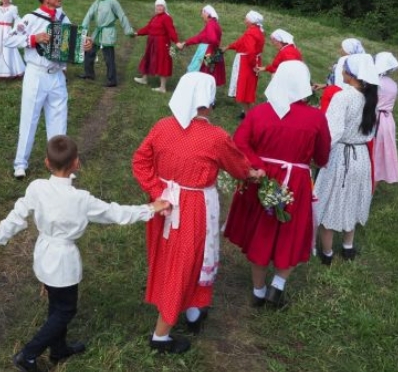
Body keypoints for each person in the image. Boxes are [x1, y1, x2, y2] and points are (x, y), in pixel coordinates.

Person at [0, 135, 170, 372]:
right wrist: (151, 208)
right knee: (66, 310)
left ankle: (58, 348)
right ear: (76, 163)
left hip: (43, 254)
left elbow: (16, 216)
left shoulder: (37, 187)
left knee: (56, 304)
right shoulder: (81, 200)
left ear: (47, 162)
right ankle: (28, 354)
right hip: (63, 262)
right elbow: (115, 213)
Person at [132, 72, 257, 354]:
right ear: (208, 101)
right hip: (191, 209)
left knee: (173, 258)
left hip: (163, 206)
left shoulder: (163, 126)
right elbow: (239, 167)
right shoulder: (215, 137)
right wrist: (253, 173)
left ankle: (193, 309)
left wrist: (158, 191)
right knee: (187, 262)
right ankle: (161, 335)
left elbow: (140, 161)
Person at [224, 61, 331, 308]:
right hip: (296, 180)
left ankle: (258, 290)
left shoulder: (258, 112)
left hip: (261, 179)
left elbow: (239, 142)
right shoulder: (316, 118)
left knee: (260, 232)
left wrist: (258, 164)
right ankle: (278, 286)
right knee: (290, 232)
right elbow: (323, 157)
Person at [4, 0, 91, 179]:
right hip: (36, 74)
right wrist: (34, 38)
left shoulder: (62, 17)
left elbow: (72, 43)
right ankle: (20, 163)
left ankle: (60, 165)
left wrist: (84, 44)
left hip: (58, 76)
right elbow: (8, 39)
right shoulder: (30, 18)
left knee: (59, 121)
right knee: (29, 118)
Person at [313, 53, 380, 265]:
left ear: (351, 75)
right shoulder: (371, 97)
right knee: (353, 198)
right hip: (361, 156)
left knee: (330, 200)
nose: (340, 72)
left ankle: (327, 251)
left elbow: (332, 133)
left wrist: (318, 156)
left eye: (343, 69)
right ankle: (348, 247)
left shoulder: (343, 97)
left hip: (341, 156)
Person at [77, 0, 134, 87]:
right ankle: (89, 74)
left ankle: (112, 80)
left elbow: (121, 15)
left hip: (108, 33)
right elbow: (88, 15)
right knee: (89, 51)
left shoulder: (112, 2)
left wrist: (128, 30)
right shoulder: (97, 2)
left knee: (109, 57)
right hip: (98, 33)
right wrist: (83, 30)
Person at [133, 0, 179, 93]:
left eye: (161, 6)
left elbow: (171, 31)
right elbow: (148, 28)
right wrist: (137, 33)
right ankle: (144, 79)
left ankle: (162, 87)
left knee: (163, 62)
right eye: (157, 6)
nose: (159, 7)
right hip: (152, 43)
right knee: (148, 58)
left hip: (162, 44)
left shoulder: (166, 18)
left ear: (164, 7)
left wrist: (176, 41)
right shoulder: (155, 17)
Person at [226, 10, 265, 118]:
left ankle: (249, 115)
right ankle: (248, 113)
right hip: (252, 61)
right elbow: (241, 42)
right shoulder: (257, 31)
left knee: (244, 90)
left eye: (246, 18)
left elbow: (250, 51)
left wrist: (253, 65)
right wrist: (228, 47)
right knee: (248, 89)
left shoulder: (251, 32)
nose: (244, 20)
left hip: (246, 63)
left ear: (251, 21)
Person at [177, 5, 226, 87]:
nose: (201, 16)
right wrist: (185, 43)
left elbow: (212, 39)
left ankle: (193, 93)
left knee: (201, 73)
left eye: (202, 13)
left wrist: (212, 52)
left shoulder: (210, 24)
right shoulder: (215, 24)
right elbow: (200, 38)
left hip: (208, 52)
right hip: (213, 51)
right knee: (209, 75)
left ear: (207, 13)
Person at [372, 52, 398, 185]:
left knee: (373, 152)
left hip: (376, 119)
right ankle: (374, 184)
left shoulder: (376, 82)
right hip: (388, 120)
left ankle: (368, 187)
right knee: (380, 154)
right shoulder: (393, 84)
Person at [315, 38, 365, 113]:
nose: (340, 50)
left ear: (348, 50)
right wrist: (325, 85)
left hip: (337, 99)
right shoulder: (361, 62)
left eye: (342, 48)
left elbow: (338, 82)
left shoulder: (344, 61)